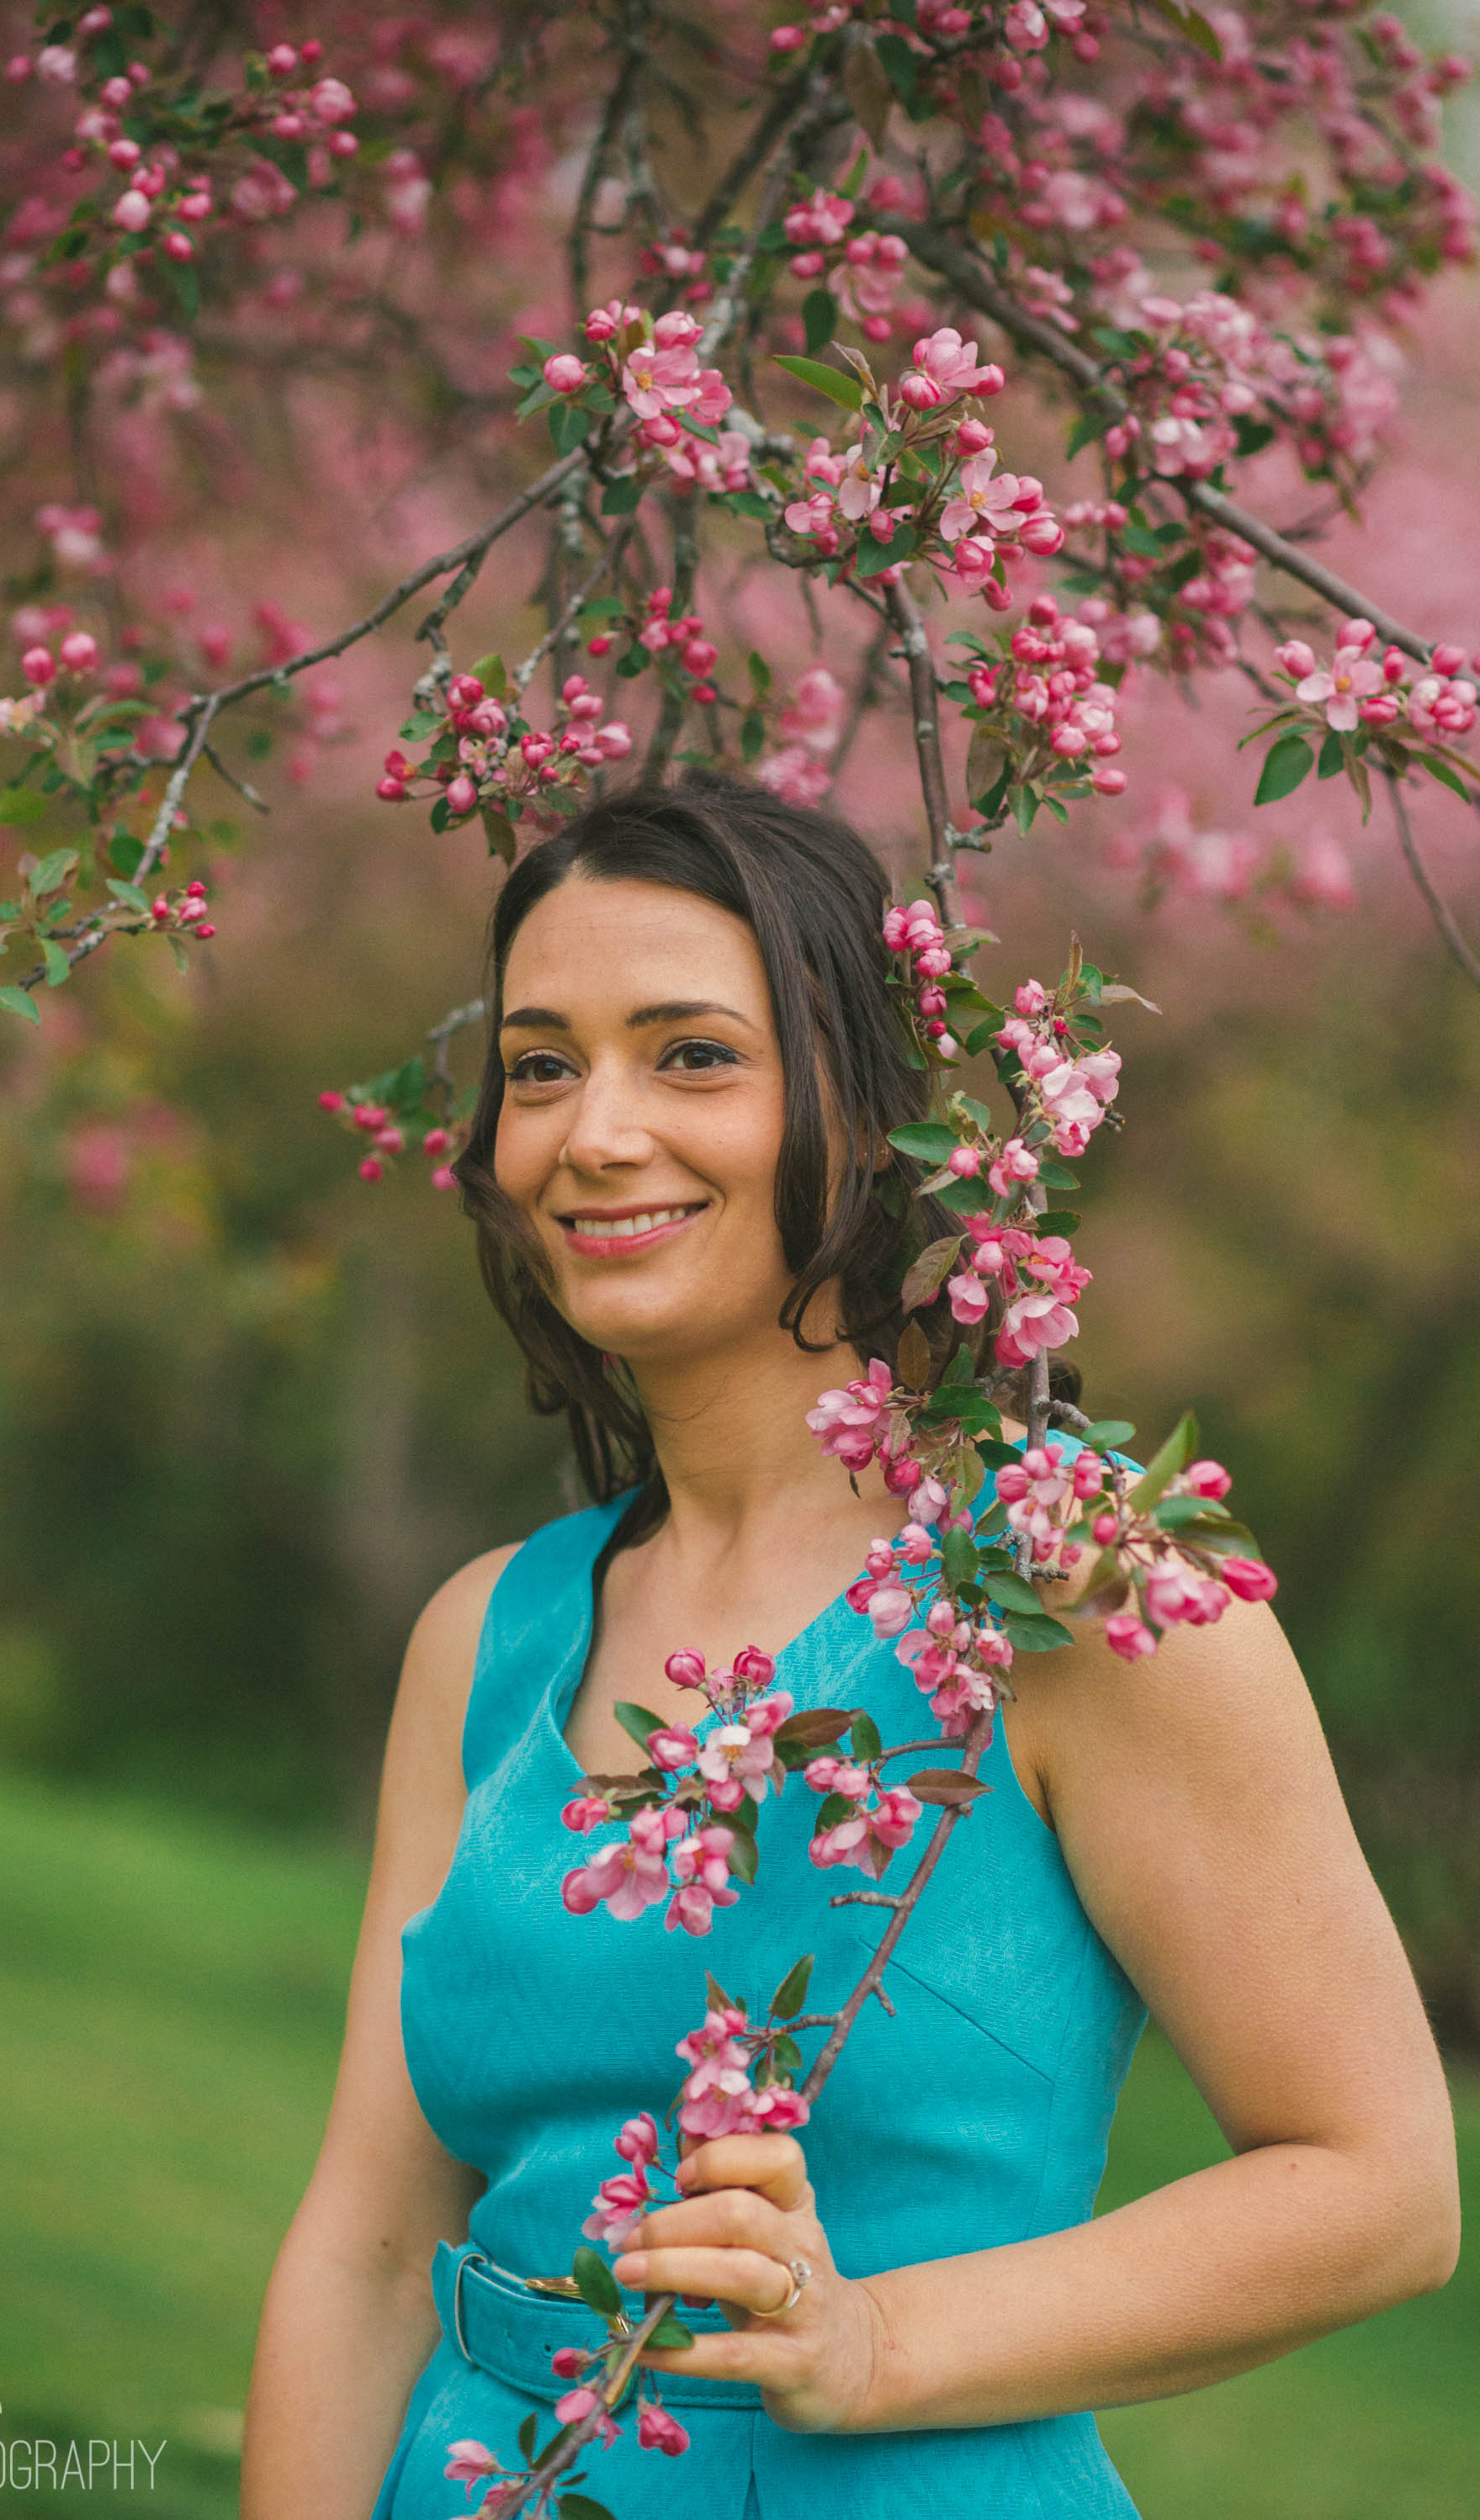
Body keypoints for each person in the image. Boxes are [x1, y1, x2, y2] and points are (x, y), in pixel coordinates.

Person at [239, 775, 1459, 2520]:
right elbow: (367, 2241)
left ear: (869, 1116)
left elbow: (1382, 2186)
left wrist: (872, 2341)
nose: (592, 1130)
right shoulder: (485, 1639)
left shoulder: (1066, 1589)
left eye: (691, 1055)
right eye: (537, 1064)